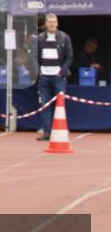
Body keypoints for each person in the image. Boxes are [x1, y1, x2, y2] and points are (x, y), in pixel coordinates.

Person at [34, 13, 73, 141]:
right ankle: (47, 132)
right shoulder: (39, 38)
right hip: (44, 77)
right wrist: (39, 71)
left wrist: (62, 72)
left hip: (58, 78)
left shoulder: (64, 37)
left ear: (57, 23)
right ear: (45, 24)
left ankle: (61, 130)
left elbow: (69, 56)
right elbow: (33, 57)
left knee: (60, 105)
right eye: (50, 22)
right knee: (44, 105)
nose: (52, 24)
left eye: (54, 22)